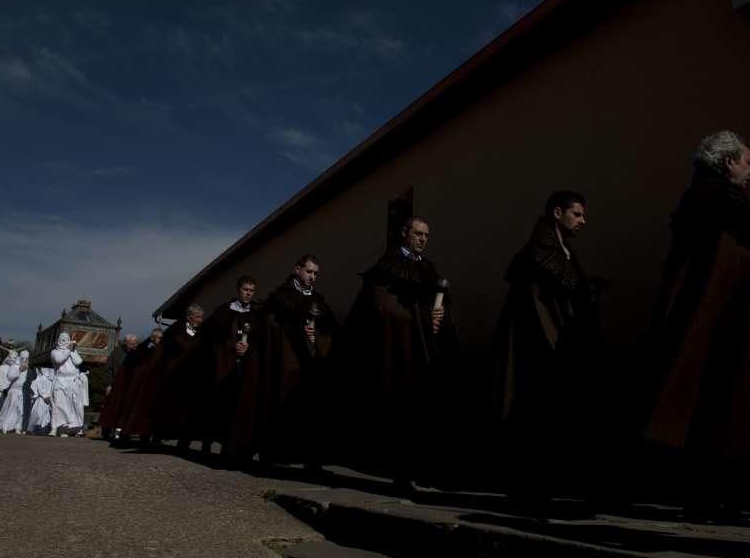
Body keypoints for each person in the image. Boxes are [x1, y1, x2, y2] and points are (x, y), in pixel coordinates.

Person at [642, 131, 750, 524]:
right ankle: (710, 502)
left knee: (727, 406)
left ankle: (718, 501)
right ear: (727, 163)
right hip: (718, 327)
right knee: (720, 405)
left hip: (726, 324)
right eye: (746, 162)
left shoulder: (716, 202)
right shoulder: (712, 197)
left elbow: (740, 249)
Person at [490, 191, 605, 504]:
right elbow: (534, 307)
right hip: (540, 352)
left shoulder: (565, 253)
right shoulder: (537, 255)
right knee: (534, 413)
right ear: (558, 213)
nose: (583, 221)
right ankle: (528, 488)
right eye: (577, 214)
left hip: (561, 347)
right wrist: (556, 343)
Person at [338, 217, 460, 491]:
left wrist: (441, 315)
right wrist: (417, 318)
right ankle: (399, 473)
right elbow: (383, 308)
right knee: (400, 410)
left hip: (426, 350)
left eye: (427, 235)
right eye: (418, 233)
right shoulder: (387, 266)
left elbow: (437, 304)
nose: (423, 239)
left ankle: (425, 469)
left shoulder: (428, 268)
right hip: (400, 350)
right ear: (405, 233)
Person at [259, 255, 336, 470]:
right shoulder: (282, 296)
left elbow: (329, 327)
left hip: (311, 362)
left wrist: (316, 336)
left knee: (312, 408)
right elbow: (273, 327)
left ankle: (311, 458)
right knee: (283, 404)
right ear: (297, 270)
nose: (312, 277)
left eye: (315, 273)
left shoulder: (318, 300)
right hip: (287, 359)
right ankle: (274, 453)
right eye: (309, 272)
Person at [198, 276, 260, 463]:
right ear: (238, 290)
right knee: (222, 407)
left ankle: (238, 449)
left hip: (246, 368)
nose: (248, 293)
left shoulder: (257, 314)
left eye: (251, 290)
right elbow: (211, 338)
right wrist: (231, 347)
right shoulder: (223, 312)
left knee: (242, 409)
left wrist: (250, 347)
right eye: (245, 289)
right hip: (225, 368)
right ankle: (215, 445)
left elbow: (261, 339)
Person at [151, 304, 205, 448]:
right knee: (168, 408)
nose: (200, 320)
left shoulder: (202, 333)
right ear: (189, 316)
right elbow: (168, 350)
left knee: (188, 411)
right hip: (174, 375)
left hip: (192, 377)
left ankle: (184, 440)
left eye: (201, 317)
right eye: (198, 317)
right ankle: (158, 436)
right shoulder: (176, 330)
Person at [114, 327, 164, 446]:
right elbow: (134, 359)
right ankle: (126, 435)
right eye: (159, 338)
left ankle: (148, 437)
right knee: (134, 412)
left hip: (155, 386)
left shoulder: (162, 351)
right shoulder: (146, 350)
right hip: (140, 386)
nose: (160, 340)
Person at [99, 333, 139, 439]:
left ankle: (123, 432)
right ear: (126, 343)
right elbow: (108, 370)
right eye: (131, 344)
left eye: (135, 344)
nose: (134, 346)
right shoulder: (116, 352)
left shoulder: (137, 353)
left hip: (130, 386)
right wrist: (108, 384)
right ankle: (107, 431)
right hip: (116, 385)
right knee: (111, 410)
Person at [49, 332, 85, 436]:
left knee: (71, 407)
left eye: (66, 339)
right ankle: (55, 427)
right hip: (60, 381)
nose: (64, 341)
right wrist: (68, 350)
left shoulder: (72, 351)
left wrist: (72, 350)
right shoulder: (55, 352)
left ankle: (67, 429)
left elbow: (79, 362)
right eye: (62, 339)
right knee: (58, 405)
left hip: (72, 382)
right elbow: (58, 360)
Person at [0, 349, 29, 434]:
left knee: (21, 410)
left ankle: (17, 427)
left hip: (22, 392)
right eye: (22, 358)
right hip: (14, 391)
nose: (24, 360)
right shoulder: (14, 366)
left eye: (26, 358)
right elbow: (10, 377)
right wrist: (19, 370)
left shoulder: (29, 368)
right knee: (10, 409)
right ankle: (5, 427)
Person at [26, 367, 54, 435]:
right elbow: (39, 388)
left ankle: (44, 430)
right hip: (41, 399)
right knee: (37, 413)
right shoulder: (40, 378)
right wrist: (44, 396)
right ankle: (31, 429)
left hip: (50, 399)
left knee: (47, 415)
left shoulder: (52, 380)